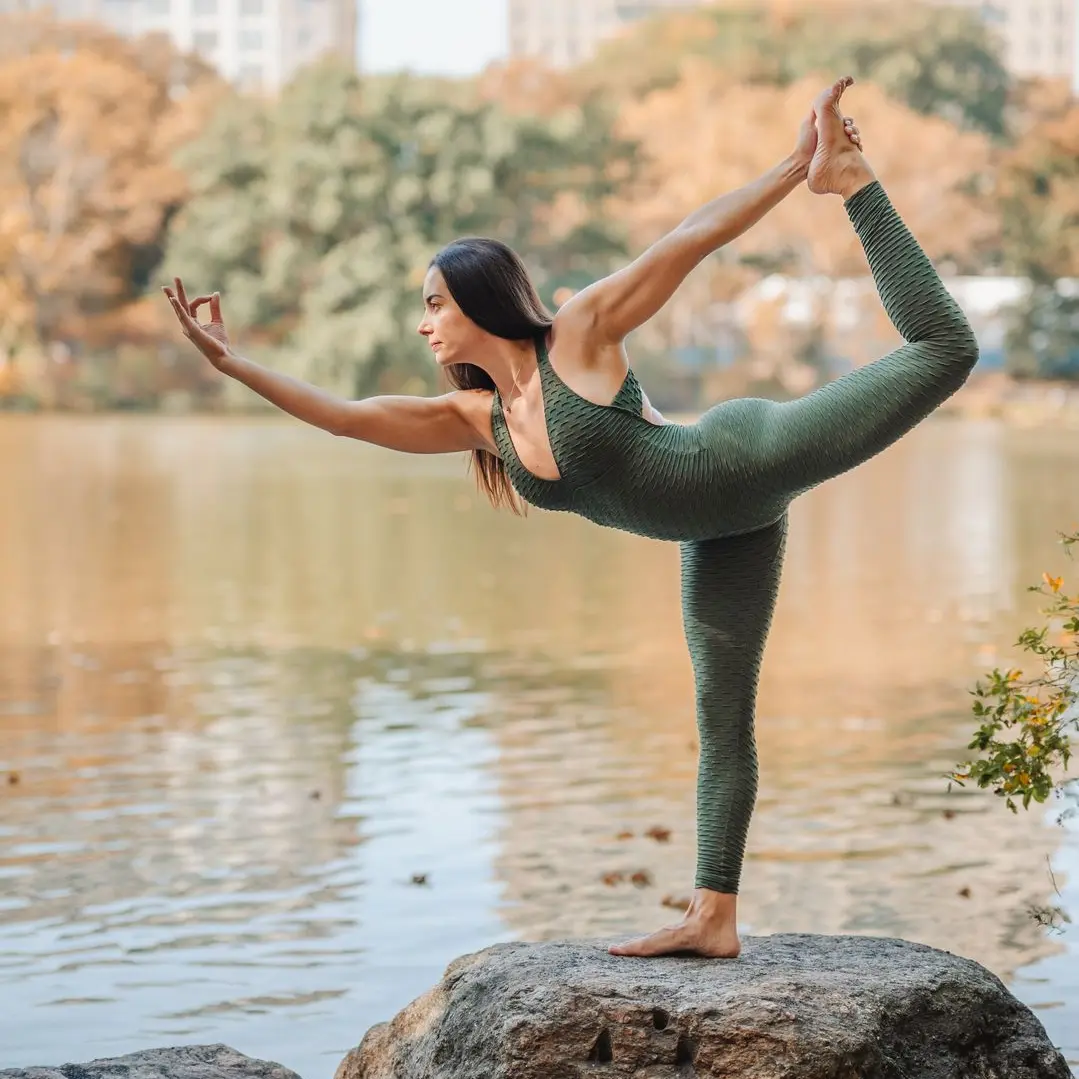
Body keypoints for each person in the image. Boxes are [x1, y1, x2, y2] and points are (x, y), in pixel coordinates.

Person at [164, 77, 978, 960]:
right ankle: (712, 917)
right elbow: (345, 415)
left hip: (746, 456)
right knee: (722, 714)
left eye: (435, 300)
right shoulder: (474, 422)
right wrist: (232, 363)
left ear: (479, 297)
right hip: (720, 532)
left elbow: (686, 242)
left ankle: (852, 181)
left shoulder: (579, 336)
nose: (425, 320)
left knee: (945, 350)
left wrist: (800, 164)